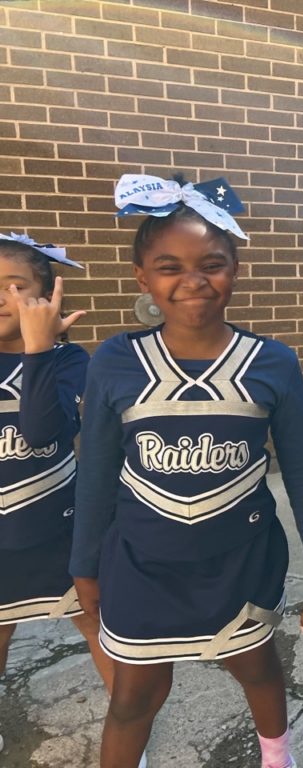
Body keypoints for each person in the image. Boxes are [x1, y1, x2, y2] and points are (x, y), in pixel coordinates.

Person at [70, 174, 303, 768]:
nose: (192, 280)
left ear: (235, 269)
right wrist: (83, 566)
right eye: (169, 266)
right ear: (142, 278)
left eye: (211, 264)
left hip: (239, 562)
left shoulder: (273, 362)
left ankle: (277, 756)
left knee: (258, 668)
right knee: (133, 698)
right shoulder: (116, 359)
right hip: (141, 564)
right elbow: (94, 474)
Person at [0, 234, 102, 756]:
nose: (3, 297)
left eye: (15, 285)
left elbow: (44, 433)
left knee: (96, 621)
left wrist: (38, 350)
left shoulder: (68, 360)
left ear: (46, 297)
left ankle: (127, 721)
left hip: (59, 527)